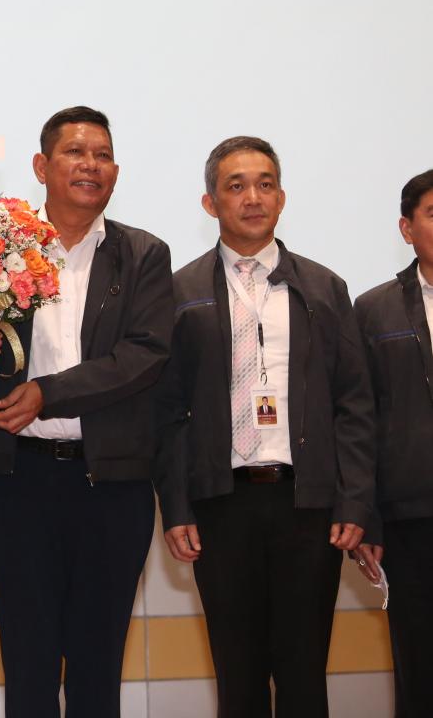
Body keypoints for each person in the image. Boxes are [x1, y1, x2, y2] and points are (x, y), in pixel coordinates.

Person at [155, 135, 375, 718]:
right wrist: (176, 505)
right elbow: (167, 410)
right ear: (210, 203)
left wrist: (355, 502)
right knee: (237, 676)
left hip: (309, 507)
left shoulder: (325, 288)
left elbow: (353, 403)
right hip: (221, 505)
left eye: (265, 184)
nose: (252, 197)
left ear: (282, 198)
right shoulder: (180, 293)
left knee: (304, 675)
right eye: (236, 186)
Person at [0, 106, 172, 718]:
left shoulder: (142, 255)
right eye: (75, 153)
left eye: (102, 155)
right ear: (41, 166)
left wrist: (47, 393)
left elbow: (144, 355)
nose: (91, 165)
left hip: (111, 483)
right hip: (17, 480)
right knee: (27, 663)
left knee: (97, 662)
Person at [353, 168, 433, 717]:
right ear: (407, 228)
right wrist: (368, 518)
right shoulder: (375, 309)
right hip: (412, 517)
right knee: (420, 665)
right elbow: (362, 419)